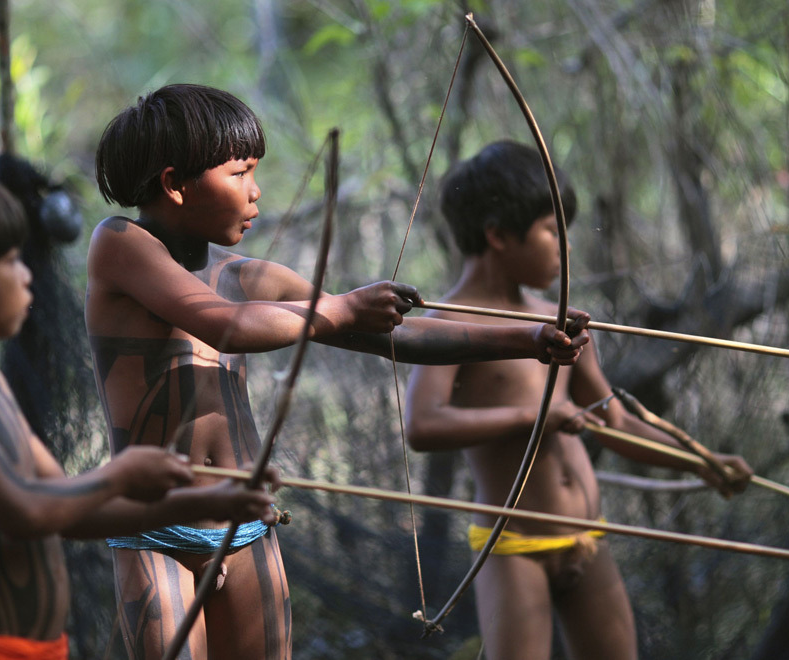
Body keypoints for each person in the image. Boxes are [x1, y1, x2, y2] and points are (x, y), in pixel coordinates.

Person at [87, 84, 592, 660]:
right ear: (176, 185)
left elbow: (390, 335)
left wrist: (527, 338)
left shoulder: (242, 272)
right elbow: (229, 326)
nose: (256, 192)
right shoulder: (121, 244)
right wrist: (344, 307)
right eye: (240, 173)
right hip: (156, 532)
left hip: (243, 525)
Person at [0, 164, 279, 660]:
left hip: (37, 648)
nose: (28, 274)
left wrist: (212, 503)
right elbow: (24, 511)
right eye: (11, 261)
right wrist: (119, 475)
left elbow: (65, 509)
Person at [403, 140, 754, 660]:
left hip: (588, 536)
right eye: (551, 231)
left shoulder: (560, 320)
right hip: (514, 545)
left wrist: (701, 462)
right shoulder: (448, 323)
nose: (565, 247)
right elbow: (422, 427)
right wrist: (534, 416)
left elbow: (616, 422)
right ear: (498, 235)